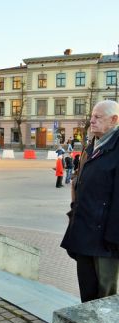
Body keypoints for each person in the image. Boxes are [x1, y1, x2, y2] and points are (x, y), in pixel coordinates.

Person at [61, 100, 119, 303]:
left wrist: (114, 240)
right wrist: (72, 215)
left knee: (105, 298)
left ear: (114, 120)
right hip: (84, 233)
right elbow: (79, 184)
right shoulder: (91, 147)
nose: (91, 121)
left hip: (107, 241)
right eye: (92, 116)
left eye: (97, 117)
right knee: (87, 292)